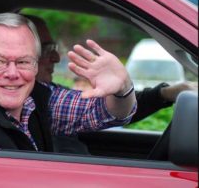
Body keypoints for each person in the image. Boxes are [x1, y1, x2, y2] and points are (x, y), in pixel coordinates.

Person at [0, 13, 136, 152]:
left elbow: (107, 113)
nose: (12, 73)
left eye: (23, 62)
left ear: (36, 64)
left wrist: (122, 88)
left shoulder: (35, 97)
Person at [29, 15, 196, 123]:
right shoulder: (41, 101)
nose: (56, 58)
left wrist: (164, 93)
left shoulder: (47, 96)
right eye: (45, 49)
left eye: (53, 48)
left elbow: (105, 110)